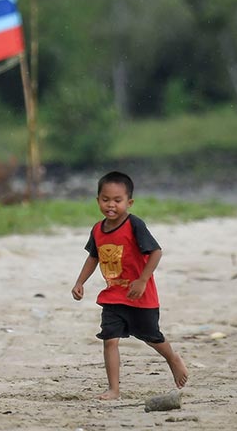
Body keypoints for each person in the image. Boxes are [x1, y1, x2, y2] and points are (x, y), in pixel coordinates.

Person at [71, 171, 188, 400]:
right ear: (98, 201)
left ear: (129, 202)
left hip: (140, 297)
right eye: (105, 200)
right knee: (109, 340)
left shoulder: (134, 224)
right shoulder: (97, 229)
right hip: (113, 296)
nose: (111, 205)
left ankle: (173, 358)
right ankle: (114, 389)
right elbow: (93, 258)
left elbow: (156, 252)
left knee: (151, 337)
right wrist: (80, 282)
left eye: (117, 200)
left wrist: (143, 279)